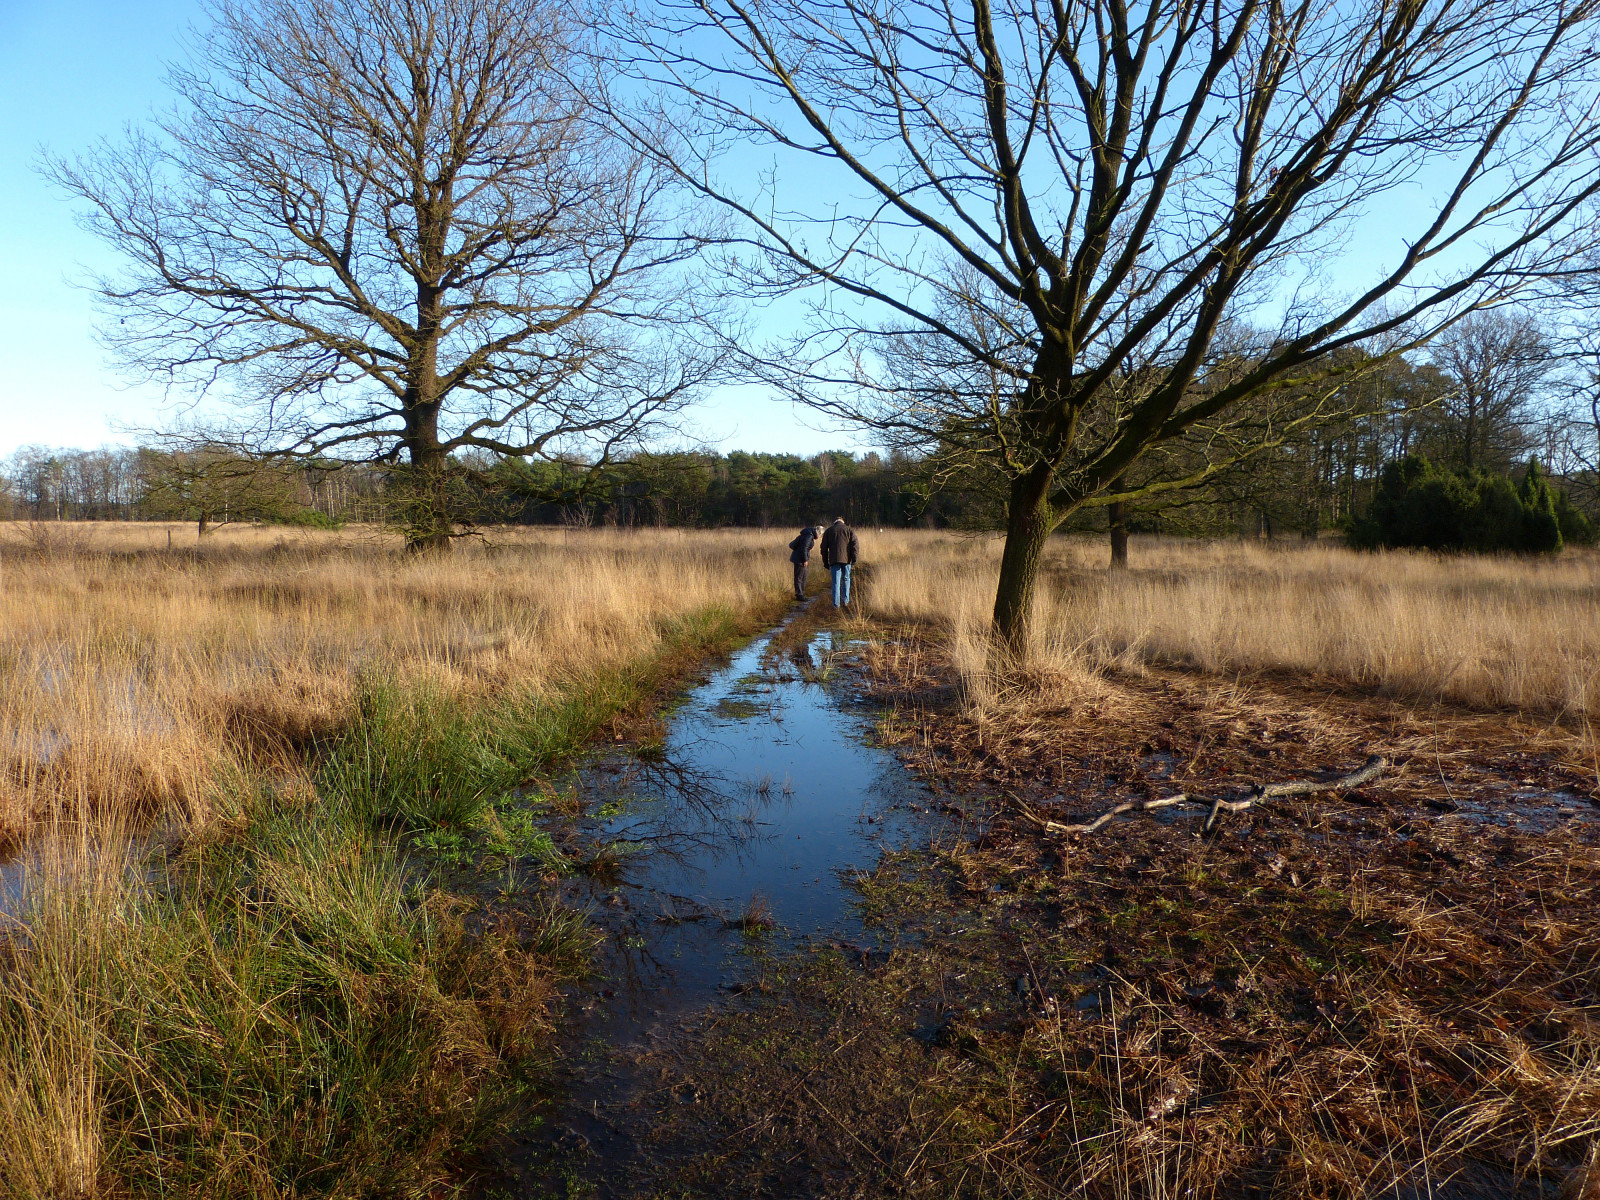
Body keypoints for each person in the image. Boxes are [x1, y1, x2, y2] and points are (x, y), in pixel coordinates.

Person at [819, 516, 858, 608]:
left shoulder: (829, 531)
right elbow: (855, 546)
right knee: (846, 579)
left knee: (836, 582)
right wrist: (854, 559)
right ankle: (846, 601)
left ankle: (836, 605)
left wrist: (825, 562)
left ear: (834, 522)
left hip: (834, 560)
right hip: (847, 560)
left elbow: (823, 549)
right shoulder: (849, 530)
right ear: (843, 521)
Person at [787, 523, 819, 600]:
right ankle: (799, 595)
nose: (820, 537)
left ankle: (801, 594)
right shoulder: (809, 536)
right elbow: (804, 548)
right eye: (820, 535)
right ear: (818, 532)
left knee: (802, 576)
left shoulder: (807, 534)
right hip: (799, 559)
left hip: (798, 558)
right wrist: (805, 560)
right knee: (799, 577)